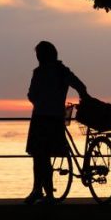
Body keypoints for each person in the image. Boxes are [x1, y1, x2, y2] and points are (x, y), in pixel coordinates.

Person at [24, 40, 89, 204]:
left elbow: (31, 95)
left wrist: (40, 101)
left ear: (42, 56)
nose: (37, 57)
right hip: (55, 117)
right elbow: (80, 86)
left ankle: (41, 192)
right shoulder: (62, 71)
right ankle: (41, 191)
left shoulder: (39, 72)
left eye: (39, 54)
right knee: (43, 156)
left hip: (41, 117)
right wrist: (84, 97)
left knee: (40, 156)